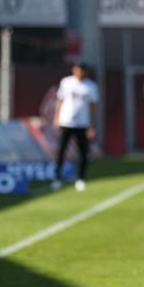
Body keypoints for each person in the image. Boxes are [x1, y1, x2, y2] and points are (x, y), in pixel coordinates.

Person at [51, 61, 99, 192]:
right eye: (78, 70)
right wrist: (56, 117)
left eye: (82, 70)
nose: (80, 73)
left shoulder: (91, 86)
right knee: (61, 151)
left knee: (83, 153)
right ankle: (57, 178)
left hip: (83, 124)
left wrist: (92, 126)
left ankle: (81, 179)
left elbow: (93, 107)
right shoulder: (66, 82)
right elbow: (60, 100)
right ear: (74, 70)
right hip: (66, 122)